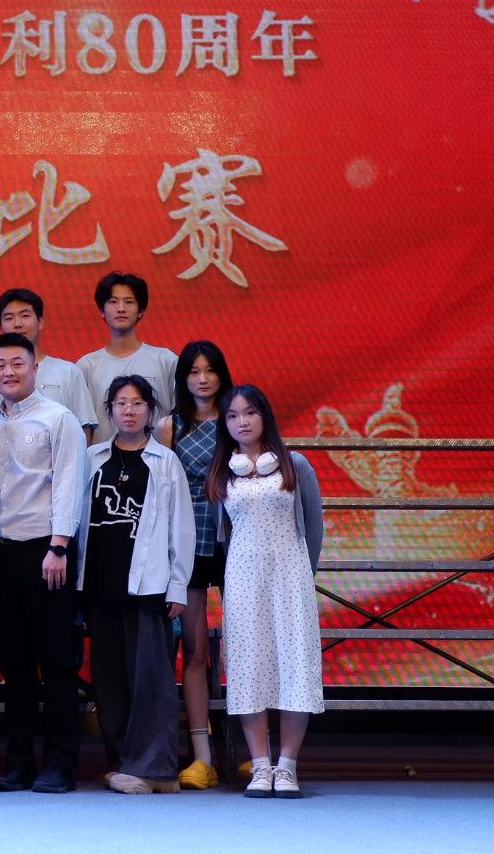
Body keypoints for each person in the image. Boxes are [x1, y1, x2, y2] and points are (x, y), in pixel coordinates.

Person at [0, 332, 86, 793]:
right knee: (13, 663)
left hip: (46, 551)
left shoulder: (59, 418)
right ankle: (19, 760)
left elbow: (69, 483)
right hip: (0, 553)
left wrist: (59, 546)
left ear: (35, 368)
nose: (9, 372)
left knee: (56, 660)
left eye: (18, 363)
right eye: (0, 365)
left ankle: (60, 763)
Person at [206, 384, 325, 800]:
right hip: (243, 579)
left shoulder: (295, 464)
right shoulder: (222, 471)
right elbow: (223, 534)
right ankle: (260, 766)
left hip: (290, 577)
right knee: (248, 667)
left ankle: (287, 766)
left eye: (250, 413)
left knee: (295, 666)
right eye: (233, 415)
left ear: (264, 417)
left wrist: (302, 575)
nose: (242, 421)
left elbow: (314, 526)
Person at [80, 375, 194, 796]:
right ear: (109, 410)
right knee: (109, 681)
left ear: (151, 411)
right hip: (98, 583)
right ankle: (124, 763)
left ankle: (156, 769)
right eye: (121, 403)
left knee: (151, 679)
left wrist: (177, 585)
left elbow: (182, 528)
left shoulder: (165, 462)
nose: (129, 410)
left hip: (148, 586)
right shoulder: (92, 458)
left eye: (138, 403)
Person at [154, 340, 235, 790]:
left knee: (248, 645)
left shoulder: (239, 417)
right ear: (182, 378)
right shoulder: (170, 426)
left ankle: (254, 751)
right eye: (193, 372)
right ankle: (202, 756)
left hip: (238, 542)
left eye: (209, 370)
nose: (202, 379)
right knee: (196, 649)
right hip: (190, 544)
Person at [0, 288, 98, 438]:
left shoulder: (69, 371)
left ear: (40, 322)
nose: (17, 324)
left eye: (25, 315)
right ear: (0, 327)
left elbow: (84, 428)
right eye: (9, 318)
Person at [78, 272, 178, 446]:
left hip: (156, 458)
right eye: (113, 301)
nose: (121, 308)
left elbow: (181, 417)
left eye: (129, 302)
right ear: (101, 311)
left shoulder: (166, 360)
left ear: (141, 310)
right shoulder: (86, 366)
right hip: (103, 459)